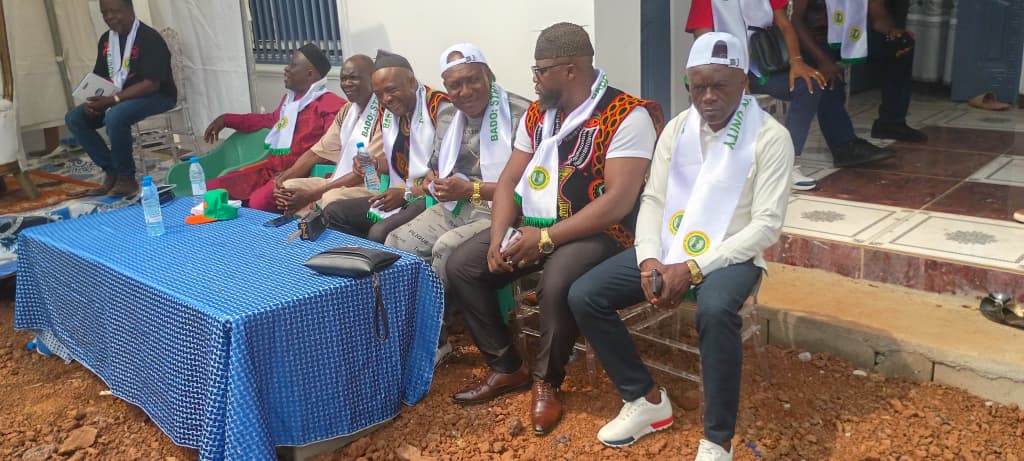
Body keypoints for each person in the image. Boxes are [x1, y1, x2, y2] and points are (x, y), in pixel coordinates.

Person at [568, 33, 793, 461]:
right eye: (697, 86)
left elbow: (765, 227)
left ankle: (718, 440)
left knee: (715, 310)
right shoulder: (677, 128)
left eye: (719, 86)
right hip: (670, 247)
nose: (707, 98)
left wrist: (692, 269)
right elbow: (653, 199)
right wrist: (649, 258)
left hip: (732, 254)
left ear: (744, 83)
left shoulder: (770, 138)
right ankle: (646, 399)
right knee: (585, 294)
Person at [445, 22, 662, 436]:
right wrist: (497, 236)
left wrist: (545, 239)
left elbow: (618, 201)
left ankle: (547, 381)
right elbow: (509, 181)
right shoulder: (537, 114)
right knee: (463, 265)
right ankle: (507, 366)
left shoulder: (627, 115)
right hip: (536, 223)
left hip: (604, 233)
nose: (534, 78)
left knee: (559, 278)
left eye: (541, 70)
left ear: (571, 69)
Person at [384, 43, 530, 366]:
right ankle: (406, 330)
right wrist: (434, 181)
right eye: (455, 85)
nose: (465, 91)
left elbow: (530, 188)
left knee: (446, 248)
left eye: (473, 80)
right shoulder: (448, 114)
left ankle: (434, 340)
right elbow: (435, 167)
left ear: (489, 75)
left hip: (504, 212)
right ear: (446, 87)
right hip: (456, 206)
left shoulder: (522, 114)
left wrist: (471, 189)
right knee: (395, 242)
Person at [686, 0, 828, 191]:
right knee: (721, 97)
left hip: (763, 68)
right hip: (723, 70)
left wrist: (796, 61)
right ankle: (727, 165)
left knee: (808, 85)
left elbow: (784, 25)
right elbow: (705, 41)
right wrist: (734, 75)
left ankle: (787, 162)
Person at [322, 50, 452, 243]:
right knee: (333, 212)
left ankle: (376, 256)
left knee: (379, 233)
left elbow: (446, 177)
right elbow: (402, 165)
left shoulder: (439, 108)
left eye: (391, 90)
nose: (386, 99)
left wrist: (407, 195)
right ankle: (359, 255)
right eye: (379, 94)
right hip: (399, 191)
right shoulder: (389, 111)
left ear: (411, 81)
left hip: (430, 199)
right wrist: (374, 164)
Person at [203, 44, 344, 212]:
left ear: (309, 74)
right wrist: (226, 119)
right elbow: (268, 120)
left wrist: (293, 173)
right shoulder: (289, 102)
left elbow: (331, 149)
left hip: (302, 176)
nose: (286, 69)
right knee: (213, 188)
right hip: (271, 171)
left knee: (259, 202)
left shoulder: (329, 105)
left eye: (293, 65)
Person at [65, 0, 177, 197]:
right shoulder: (106, 40)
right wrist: (94, 102)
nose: (109, 17)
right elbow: (100, 78)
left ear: (130, 9)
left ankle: (126, 178)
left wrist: (112, 101)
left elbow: (151, 84)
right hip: (118, 97)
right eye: (104, 13)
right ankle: (112, 171)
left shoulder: (149, 37)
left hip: (157, 95)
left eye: (115, 11)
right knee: (75, 118)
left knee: (115, 116)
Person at [792, 0, 927, 145]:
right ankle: (844, 143)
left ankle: (891, 123)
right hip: (814, 40)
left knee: (900, 47)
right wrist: (822, 60)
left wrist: (892, 31)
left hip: (852, 35)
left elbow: (878, 15)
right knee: (831, 76)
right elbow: (795, 19)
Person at [271, 54, 384, 216]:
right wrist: (282, 179)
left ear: (372, 79)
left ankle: (315, 223)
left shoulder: (384, 113)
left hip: (371, 186)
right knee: (289, 187)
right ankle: (301, 226)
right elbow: (316, 152)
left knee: (331, 198)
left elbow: (365, 170)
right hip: (338, 180)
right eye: (343, 79)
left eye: (353, 78)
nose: (347, 84)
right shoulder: (347, 110)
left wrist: (312, 195)